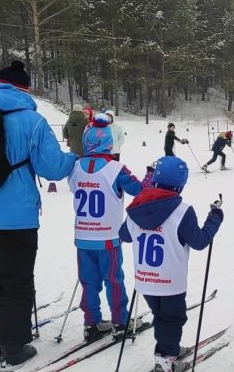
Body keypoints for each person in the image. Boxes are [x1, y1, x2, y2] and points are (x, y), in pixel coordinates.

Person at [0, 61, 77, 369]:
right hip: (16, 218)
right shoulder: (31, 120)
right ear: (25, 88)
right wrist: (73, 157)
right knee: (15, 282)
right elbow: (52, 168)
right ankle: (14, 348)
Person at [119, 156, 224, 372]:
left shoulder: (136, 207)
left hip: (146, 280)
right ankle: (165, 359)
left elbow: (124, 235)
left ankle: (168, 349)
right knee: (174, 318)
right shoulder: (182, 210)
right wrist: (214, 218)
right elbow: (199, 241)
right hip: (171, 281)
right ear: (180, 185)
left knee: (162, 317)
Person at [67, 113, 144, 342]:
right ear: (109, 142)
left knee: (89, 281)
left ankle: (91, 323)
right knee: (113, 279)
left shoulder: (75, 166)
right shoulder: (115, 168)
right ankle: (120, 322)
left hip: (83, 236)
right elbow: (138, 190)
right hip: (108, 237)